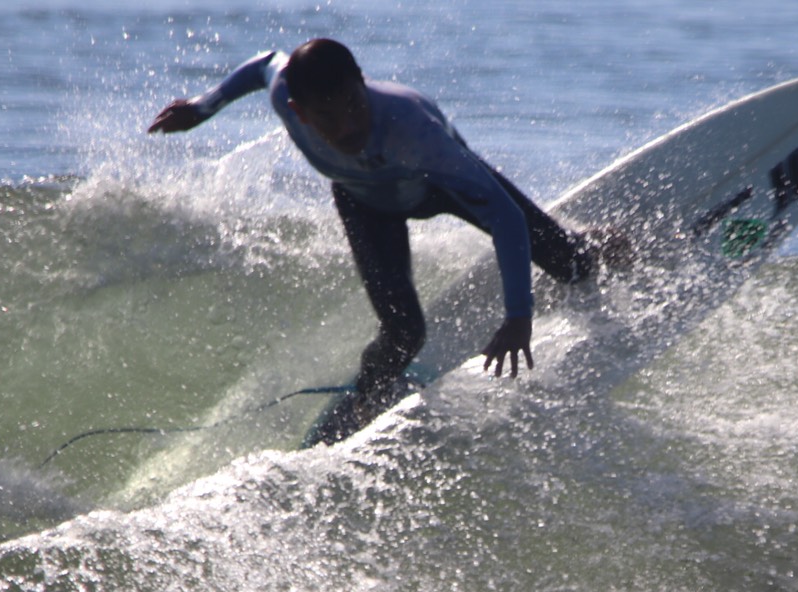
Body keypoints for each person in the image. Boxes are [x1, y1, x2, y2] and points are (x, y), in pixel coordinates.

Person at [149, 37, 611, 444]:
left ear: (362, 84)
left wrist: (518, 317)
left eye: (354, 105)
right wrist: (202, 107)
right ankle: (367, 400)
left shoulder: (414, 130)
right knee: (404, 334)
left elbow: (504, 217)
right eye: (328, 117)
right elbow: (266, 61)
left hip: (437, 184)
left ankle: (602, 245)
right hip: (366, 203)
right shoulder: (283, 93)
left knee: (571, 266)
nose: (348, 127)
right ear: (298, 111)